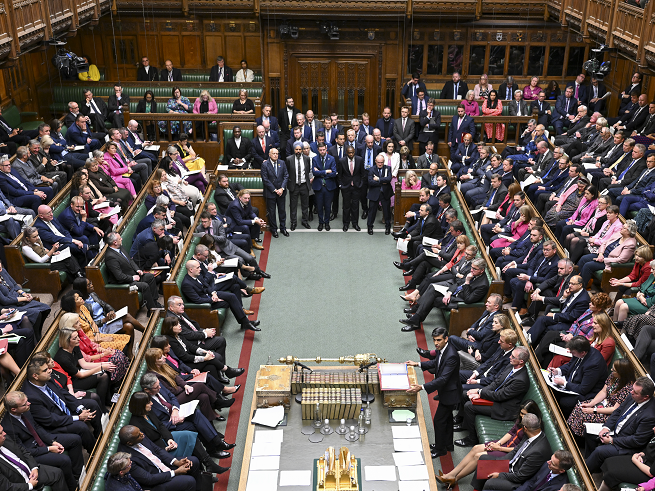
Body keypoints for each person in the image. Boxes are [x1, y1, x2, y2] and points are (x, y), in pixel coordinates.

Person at [437, 400, 541, 487]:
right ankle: (451, 474)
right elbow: (511, 432)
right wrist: (499, 443)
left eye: (525, 414)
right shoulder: (523, 420)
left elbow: (519, 449)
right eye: (521, 413)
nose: (522, 416)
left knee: (478, 456)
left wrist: (499, 448)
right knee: (476, 448)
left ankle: (455, 478)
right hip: (504, 445)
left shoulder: (532, 427)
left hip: (510, 453)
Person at [128, 392, 226, 474]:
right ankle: (205, 470)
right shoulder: (135, 425)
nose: (151, 404)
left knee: (190, 435)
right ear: (140, 406)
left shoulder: (147, 411)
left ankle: (209, 464)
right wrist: (164, 448)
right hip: (160, 448)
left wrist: (169, 438)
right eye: (148, 402)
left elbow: (161, 426)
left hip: (166, 439)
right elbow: (147, 445)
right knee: (191, 442)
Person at [2, 390, 82, 491]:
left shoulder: (25, 410)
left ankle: (78, 475)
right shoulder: (8, 428)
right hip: (33, 454)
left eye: (27, 401)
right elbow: (23, 451)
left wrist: (52, 441)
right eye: (24, 404)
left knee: (75, 440)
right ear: (14, 409)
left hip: (42, 442)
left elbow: (37, 427)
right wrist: (49, 449)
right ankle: (74, 487)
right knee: (64, 460)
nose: (29, 403)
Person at [456, 346, 530, 447]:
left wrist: (480, 392)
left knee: (469, 406)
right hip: (496, 398)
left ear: (521, 361)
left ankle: (471, 439)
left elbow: (500, 396)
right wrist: (479, 392)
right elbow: (496, 383)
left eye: (513, 357)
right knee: (466, 393)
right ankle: (461, 420)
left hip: (504, 408)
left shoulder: (521, 380)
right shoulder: (511, 365)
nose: (510, 357)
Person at [22, 358, 101, 452]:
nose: (49, 371)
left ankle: (100, 436)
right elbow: (50, 420)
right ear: (35, 376)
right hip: (55, 424)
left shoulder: (47, 378)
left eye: (48, 368)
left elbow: (64, 393)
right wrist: (78, 417)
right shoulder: (31, 397)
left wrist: (81, 409)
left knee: (92, 404)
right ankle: (94, 452)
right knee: (81, 427)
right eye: (45, 370)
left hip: (64, 409)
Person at [406, 327, 461, 458]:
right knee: (446, 420)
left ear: (446, 339)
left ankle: (440, 449)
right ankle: (448, 445)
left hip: (450, 394)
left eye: (439, 340)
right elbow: (437, 363)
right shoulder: (443, 350)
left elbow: (443, 379)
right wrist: (417, 364)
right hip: (447, 392)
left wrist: (422, 387)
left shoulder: (452, 355)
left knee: (439, 420)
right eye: (434, 340)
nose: (436, 343)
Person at [585, 376, 655, 473]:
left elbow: (636, 441)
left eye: (635, 392)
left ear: (645, 397)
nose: (631, 392)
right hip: (616, 431)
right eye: (632, 389)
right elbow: (617, 412)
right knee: (589, 433)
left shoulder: (650, 415)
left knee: (599, 451)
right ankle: (592, 464)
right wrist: (606, 428)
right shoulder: (633, 396)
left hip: (628, 445)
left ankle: (584, 473)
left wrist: (612, 441)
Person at [116, 425, 205, 491]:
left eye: (140, 432)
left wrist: (176, 462)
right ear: (130, 443)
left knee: (194, 461)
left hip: (162, 466)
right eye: (138, 435)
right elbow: (149, 479)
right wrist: (175, 472)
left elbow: (157, 450)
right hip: (155, 483)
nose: (142, 434)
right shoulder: (127, 459)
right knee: (189, 481)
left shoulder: (139, 436)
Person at [567, 358, 636, 438]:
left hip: (611, 413)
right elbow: (604, 391)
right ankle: (569, 430)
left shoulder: (628, 388)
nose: (611, 370)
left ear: (621, 373)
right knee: (580, 407)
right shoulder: (613, 376)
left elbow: (615, 409)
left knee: (585, 415)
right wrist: (591, 404)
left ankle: (576, 438)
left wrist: (593, 410)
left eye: (614, 370)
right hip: (604, 402)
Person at [54, 326, 115, 409]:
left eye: (77, 336)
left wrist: (104, 364)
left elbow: (84, 364)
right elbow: (80, 375)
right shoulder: (63, 358)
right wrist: (101, 367)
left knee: (107, 371)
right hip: (72, 381)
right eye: (75, 338)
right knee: (103, 376)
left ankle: (108, 400)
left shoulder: (75, 345)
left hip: (79, 371)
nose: (79, 339)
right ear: (67, 341)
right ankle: (102, 407)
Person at [0, 422, 67, 491]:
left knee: (57, 473)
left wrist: (34, 467)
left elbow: (23, 451)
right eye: (1, 433)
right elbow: (6, 487)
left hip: (30, 470)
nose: (5, 433)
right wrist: (30, 485)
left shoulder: (5, 439)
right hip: (19, 485)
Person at [104, 232, 162, 311]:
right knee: (144, 286)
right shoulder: (110, 257)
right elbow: (119, 276)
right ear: (115, 242)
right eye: (120, 238)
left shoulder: (119, 247)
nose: (122, 239)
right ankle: (151, 309)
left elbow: (130, 261)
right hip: (123, 283)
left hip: (132, 274)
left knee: (150, 277)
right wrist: (132, 278)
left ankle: (155, 302)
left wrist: (137, 269)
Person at [578, 219, 638, 287]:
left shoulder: (631, 244)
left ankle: (580, 287)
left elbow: (621, 259)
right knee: (583, 258)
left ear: (629, 232)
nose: (621, 228)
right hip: (602, 255)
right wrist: (600, 254)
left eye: (624, 228)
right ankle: (574, 280)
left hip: (609, 262)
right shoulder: (619, 234)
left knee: (588, 266)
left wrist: (604, 259)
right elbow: (604, 243)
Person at [261, 148, 288, 237]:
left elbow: (286, 176)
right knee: (272, 213)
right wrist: (275, 190)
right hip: (270, 193)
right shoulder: (265, 165)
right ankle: (274, 230)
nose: (276, 155)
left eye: (277, 153)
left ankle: (283, 228)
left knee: (282, 211)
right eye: (274, 153)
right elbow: (265, 179)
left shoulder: (282, 163)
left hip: (281, 192)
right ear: (269, 154)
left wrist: (282, 188)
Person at [286, 141, 312, 231]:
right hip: (294, 185)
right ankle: (293, 222)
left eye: (299, 149)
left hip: (304, 185)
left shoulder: (307, 159)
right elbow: (288, 172)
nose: (298, 151)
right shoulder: (289, 159)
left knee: (305, 205)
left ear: (302, 150)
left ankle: (305, 221)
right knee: (293, 206)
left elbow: (308, 171)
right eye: (296, 149)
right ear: (294, 150)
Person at [312, 142, 337, 231]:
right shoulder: (315, 159)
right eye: (320, 150)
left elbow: (334, 173)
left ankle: (326, 222)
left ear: (326, 149)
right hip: (318, 187)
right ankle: (320, 223)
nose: (322, 151)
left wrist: (320, 173)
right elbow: (314, 172)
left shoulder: (332, 159)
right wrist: (326, 171)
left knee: (327, 206)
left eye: (324, 150)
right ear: (318, 150)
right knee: (319, 206)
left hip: (329, 187)